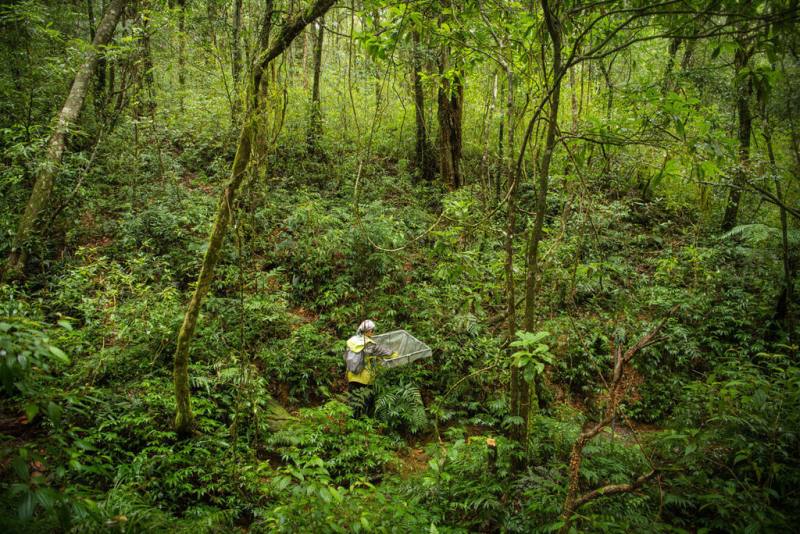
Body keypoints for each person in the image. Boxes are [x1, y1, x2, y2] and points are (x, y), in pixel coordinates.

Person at [346, 319, 396, 416]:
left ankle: (351, 422)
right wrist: (396, 354)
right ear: (368, 331)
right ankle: (364, 425)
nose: (373, 332)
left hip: (351, 376)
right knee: (366, 404)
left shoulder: (352, 341)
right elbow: (388, 354)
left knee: (353, 402)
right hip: (365, 378)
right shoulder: (370, 344)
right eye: (372, 330)